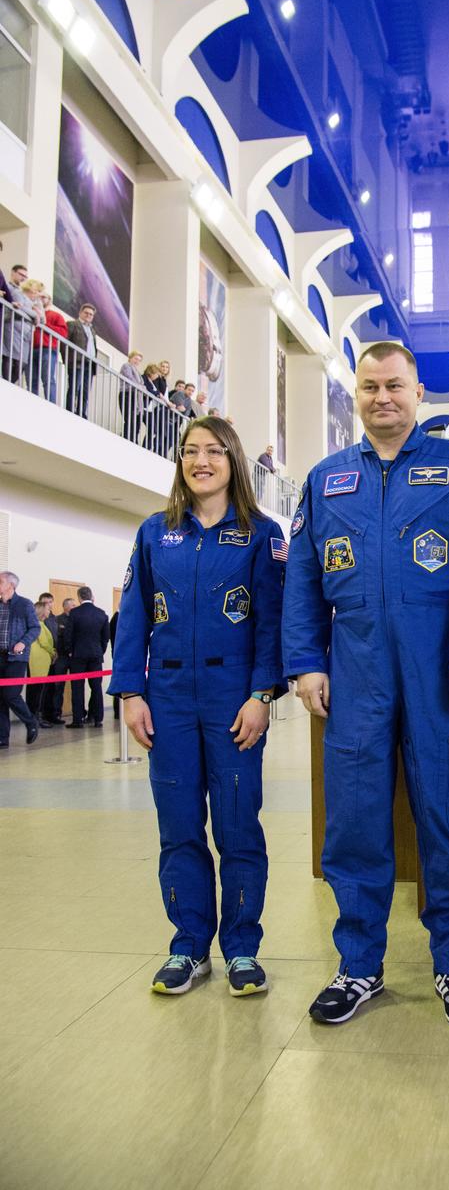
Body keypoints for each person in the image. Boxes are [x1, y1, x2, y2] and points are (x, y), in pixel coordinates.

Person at [284, 343, 449, 1028]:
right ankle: (358, 964)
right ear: (355, 393)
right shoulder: (324, 480)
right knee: (353, 822)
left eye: (395, 386)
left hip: (438, 667)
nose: (383, 396)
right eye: (370, 385)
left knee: (445, 815)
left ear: (418, 393)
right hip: (354, 672)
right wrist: (305, 661)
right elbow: (300, 579)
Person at [108, 416, 286, 997]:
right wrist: (132, 692)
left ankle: (241, 948)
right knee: (179, 827)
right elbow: (132, 616)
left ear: (234, 459)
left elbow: (272, 623)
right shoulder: (156, 532)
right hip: (169, 700)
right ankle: (187, 947)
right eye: (190, 451)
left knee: (238, 827)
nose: (200, 460)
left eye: (213, 451)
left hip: (234, 699)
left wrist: (262, 695)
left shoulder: (261, 533)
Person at [0, 571, 40, 749]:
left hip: (16, 658)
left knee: (10, 694)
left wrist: (23, 643)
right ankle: (2, 738)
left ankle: (31, 721)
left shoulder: (24, 604)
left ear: (11, 585)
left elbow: (35, 628)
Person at [64, 586, 110, 729]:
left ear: (79, 597)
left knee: (77, 687)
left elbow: (68, 635)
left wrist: (70, 650)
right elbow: (105, 637)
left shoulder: (74, 613)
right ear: (91, 596)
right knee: (96, 687)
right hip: (96, 655)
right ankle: (97, 719)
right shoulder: (101, 614)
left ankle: (78, 720)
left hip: (78, 655)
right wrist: (100, 651)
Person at [2, 265, 38, 387]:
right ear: (13, 273)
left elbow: (39, 314)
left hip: (25, 332)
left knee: (21, 363)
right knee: (10, 357)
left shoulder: (25, 294)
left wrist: (34, 313)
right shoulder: (10, 288)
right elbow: (15, 305)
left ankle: (7, 386)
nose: (23, 278)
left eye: (25, 276)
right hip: (11, 325)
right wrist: (34, 314)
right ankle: (5, 385)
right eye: (21, 274)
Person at [45, 597, 76, 724]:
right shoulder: (58, 620)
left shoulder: (77, 619)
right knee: (58, 687)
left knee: (76, 687)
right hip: (61, 658)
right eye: (73, 605)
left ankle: (78, 713)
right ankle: (56, 713)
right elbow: (55, 638)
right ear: (66, 607)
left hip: (74, 657)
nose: (75, 607)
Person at [65, 303, 99, 418]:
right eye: (86, 313)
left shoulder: (92, 330)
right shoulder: (72, 324)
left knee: (85, 391)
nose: (89, 315)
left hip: (89, 364)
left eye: (91, 314)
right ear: (80, 313)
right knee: (75, 386)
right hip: (77, 362)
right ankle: (70, 409)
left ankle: (81, 412)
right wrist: (68, 359)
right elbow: (64, 343)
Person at [34, 293, 67, 404]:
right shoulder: (33, 313)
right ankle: (31, 401)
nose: (41, 299)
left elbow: (63, 333)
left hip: (47, 349)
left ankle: (51, 403)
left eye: (43, 297)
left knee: (48, 379)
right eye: (39, 297)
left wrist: (44, 325)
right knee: (32, 379)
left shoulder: (56, 315)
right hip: (31, 348)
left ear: (50, 300)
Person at [26, 601, 55, 723]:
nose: (50, 611)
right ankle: (35, 718)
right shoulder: (39, 625)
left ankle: (34, 716)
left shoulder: (38, 624)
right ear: (42, 611)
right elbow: (44, 642)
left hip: (38, 660)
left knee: (36, 691)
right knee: (37, 692)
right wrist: (53, 652)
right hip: (39, 661)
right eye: (48, 609)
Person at [119, 350, 145, 442]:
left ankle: (134, 440)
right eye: (136, 359)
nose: (137, 361)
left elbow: (141, 385)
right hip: (127, 394)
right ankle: (127, 440)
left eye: (139, 360)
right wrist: (141, 387)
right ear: (130, 358)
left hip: (135, 397)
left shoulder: (137, 372)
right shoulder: (126, 366)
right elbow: (130, 379)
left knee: (136, 422)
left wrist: (141, 387)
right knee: (130, 419)